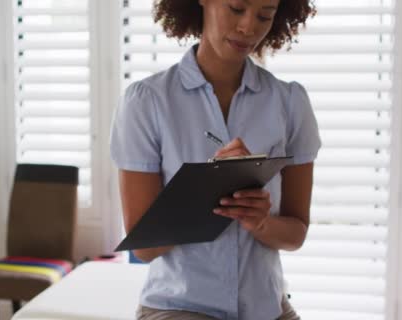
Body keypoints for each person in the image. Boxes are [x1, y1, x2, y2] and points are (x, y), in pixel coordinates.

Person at [109, 0, 321, 319]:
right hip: (178, 305)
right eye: (237, 9)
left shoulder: (290, 103)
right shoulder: (147, 102)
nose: (249, 27)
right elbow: (145, 248)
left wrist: (260, 221)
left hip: (266, 308)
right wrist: (206, 189)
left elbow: (296, 233)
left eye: (265, 15)